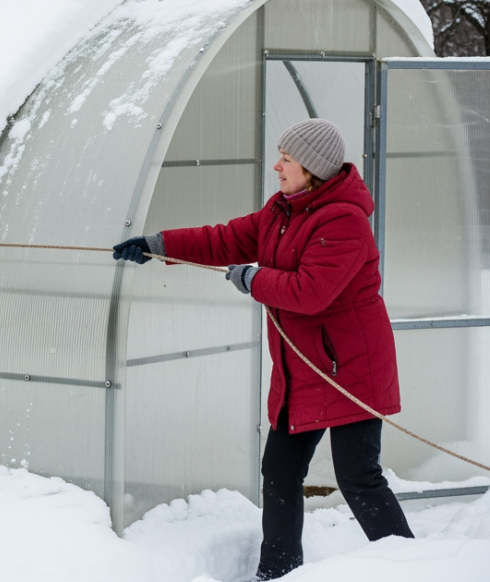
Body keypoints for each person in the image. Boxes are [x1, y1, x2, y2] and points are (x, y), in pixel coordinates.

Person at [112, 119, 413, 580]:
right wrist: (159, 245)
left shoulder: (343, 219)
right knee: (279, 471)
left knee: (358, 477)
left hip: (349, 370)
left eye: (286, 159)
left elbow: (312, 291)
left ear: (311, 169)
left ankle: (413, 568)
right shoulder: (284, 210)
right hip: (302, 370)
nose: (277, 165)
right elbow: (227, 238)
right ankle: (277, 571)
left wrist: (253, 280)